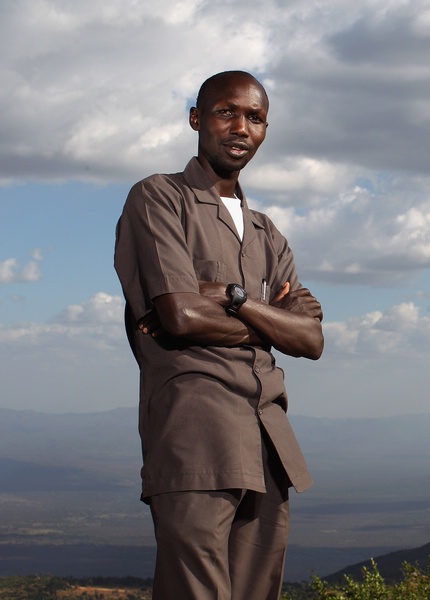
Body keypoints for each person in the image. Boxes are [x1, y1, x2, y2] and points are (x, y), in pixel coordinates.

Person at [114, 70, 324, 600]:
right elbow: (181, 318)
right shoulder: (160, 198)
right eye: (226, 111)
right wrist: (269, 322)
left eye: (255, 117)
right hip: (196, 434)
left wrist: (230, 297)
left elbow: (312, 341)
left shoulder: (267, 232)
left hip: (268, 440)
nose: (240, 127)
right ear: (196, 119)